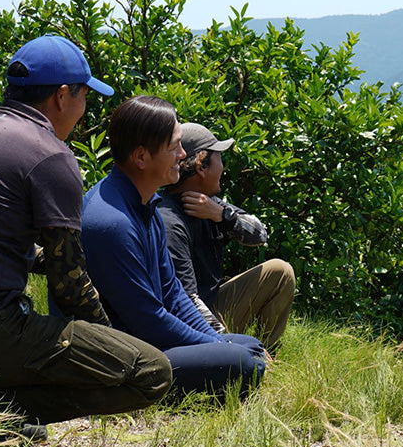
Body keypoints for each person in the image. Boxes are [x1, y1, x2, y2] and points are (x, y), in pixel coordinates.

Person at [0, 34, 173, 433]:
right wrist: (115, 343)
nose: (84, 108)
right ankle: (2, 416)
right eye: (84, 96)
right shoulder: (51, 155)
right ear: (62, 96)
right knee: (151, 370)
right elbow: (70, 288)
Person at [75, 96, 266, 398]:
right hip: (124, 356)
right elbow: (148, 320)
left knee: (248, 346)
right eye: (174, 147)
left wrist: (216, 344)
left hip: (148, 339)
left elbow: (173, 291)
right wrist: (217, 348)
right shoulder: (112, 221)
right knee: (241, 362)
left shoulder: (144, 203)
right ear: (141, 157)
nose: (182, 155)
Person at [160, 122, 295, 350]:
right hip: (188, 322)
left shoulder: (210, 204)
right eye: (219, 158)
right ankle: (251, 358)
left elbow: (260, 234)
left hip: (211, 305)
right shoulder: (169, 221)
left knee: (280, 272)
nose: (223, 167)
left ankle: (267, 353)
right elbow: (186, 301)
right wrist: (233, 346)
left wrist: (223, 216)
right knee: (238, 351)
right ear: (202, 165)